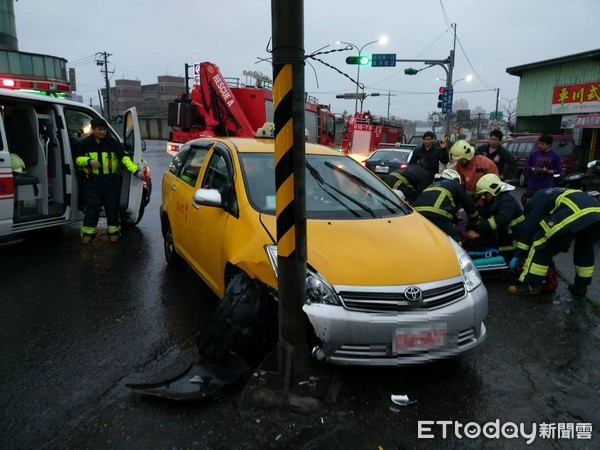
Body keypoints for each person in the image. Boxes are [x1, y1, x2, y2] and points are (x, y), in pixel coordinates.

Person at [508, 187, 600, 296]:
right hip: (596, 215)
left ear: (527, 200)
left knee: (540, 242)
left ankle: (532, 285)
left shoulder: (536, 199)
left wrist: (519, 253)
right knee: (585, 249)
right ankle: (581, 287)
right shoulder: (553, 192)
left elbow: (530, 226)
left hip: (574, 212)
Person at [75, 118, 143, 243]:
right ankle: (88, 233)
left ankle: (114, 232)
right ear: (93, 129)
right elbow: (77, 160)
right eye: (99, 129)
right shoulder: (85, 143)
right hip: (93, 181)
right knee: (92, 207)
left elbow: (124, 159)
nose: (102, 132)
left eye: (104, 129)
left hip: (110, 181)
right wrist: (88, 161)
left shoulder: (113, 143)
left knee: (112, 207)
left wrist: (136, 171)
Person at [465, 173, 524, 261]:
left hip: (512, 244)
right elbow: (482, 213)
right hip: (502, 239)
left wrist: (477, 226)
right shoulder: (494, 201)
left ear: (493, 190)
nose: (484, 196)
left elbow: (498, 222)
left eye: (485, 193)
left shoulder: (507, 202)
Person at [412, 168, 479, 244]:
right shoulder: (454, 184)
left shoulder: (431, 185)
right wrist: (474, 219)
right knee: (455, 240)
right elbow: (468, 202)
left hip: (416, 214)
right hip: (436, 213)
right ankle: (457, 255)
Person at [521, 134, 562, 204]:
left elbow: (558, 170)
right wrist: (533, 168)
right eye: (539, 144)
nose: (539, 146)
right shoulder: (534, 154)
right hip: (532, 185)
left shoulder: (555, 155)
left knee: (543, 204)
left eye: (542, 144)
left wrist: (547, 171)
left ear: (549, 145)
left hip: (546, 186)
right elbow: (527, 166)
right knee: (528, 203)